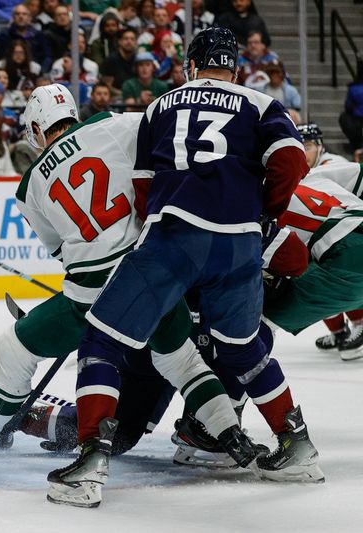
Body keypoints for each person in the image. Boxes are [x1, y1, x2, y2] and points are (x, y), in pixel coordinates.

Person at [0, 84, 255, 494]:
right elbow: (170, 137)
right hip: (152, 278)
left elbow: (63, 250)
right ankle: (231, 434)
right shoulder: (116, 124)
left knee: (15, 346)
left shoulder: (29, 187)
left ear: (39, 129)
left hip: (91, 293)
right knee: (182, 361)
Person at [53, 27, 319, 503]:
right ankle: (296, 444)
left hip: (175, 237)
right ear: (233, 66)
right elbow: (291, 158)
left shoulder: (161, 104)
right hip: (239, 245)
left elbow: (142, 185)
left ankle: (92, 460)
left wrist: (160, 220)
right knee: (241, 350)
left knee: (104, 338)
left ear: (192, 65)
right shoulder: (261, 104)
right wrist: (263, 210)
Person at [262, 158, 363, 362]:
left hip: (346, 254)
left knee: (251, 325)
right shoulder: (313, 175)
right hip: (349, 236)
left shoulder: (250, 203)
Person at [100, 27, 138, 99]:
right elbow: (107, 87)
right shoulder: (110, 61)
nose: (129, 42)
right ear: (119, 41)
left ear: (136, 42)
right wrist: (125, 95)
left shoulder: (138, 60)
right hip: (115, 99)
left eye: (132, 39)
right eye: (126, 39)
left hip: (135, 98)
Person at [339, 57, 363, 156]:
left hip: (357, 123)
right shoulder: (354, 88)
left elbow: (348, 107)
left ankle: (357, 145)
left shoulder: (354, 88)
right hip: (358, 123)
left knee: (344, 117)